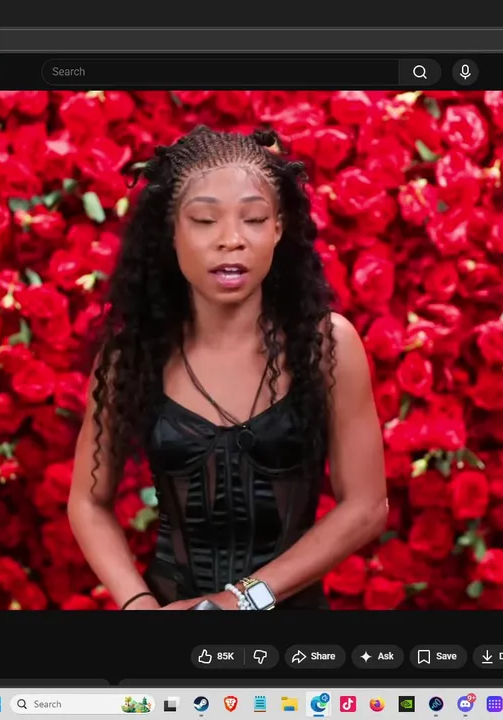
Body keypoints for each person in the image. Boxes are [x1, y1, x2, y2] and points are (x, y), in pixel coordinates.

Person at [67, 126, 388, 611]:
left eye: (254, 219)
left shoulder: (327, 344)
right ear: (171, 232)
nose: (231, 240)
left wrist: (239, 601)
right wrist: (138, 606)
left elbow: (366, 507)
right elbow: (88, 501)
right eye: (204, 220)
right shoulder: (132, 352)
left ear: (278, 228)